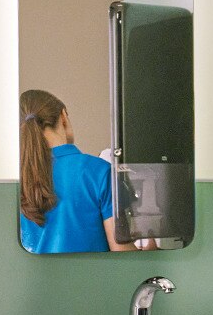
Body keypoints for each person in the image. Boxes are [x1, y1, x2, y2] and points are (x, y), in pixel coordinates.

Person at [19, 89, 148, 253]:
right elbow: (122, 252)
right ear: (64, 116)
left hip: (36, 279)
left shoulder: (18, 180)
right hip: (91, 278)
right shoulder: (99, 172)